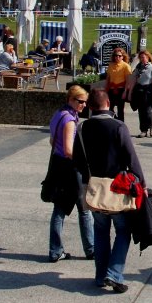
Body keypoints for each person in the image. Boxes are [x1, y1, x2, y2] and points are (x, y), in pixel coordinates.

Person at [76, 89, 147, 293]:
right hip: (117, 188)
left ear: (90, 107)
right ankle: (114, 273)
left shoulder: (82, 128)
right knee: (123, 231)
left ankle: (100, 276)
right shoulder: (118, 127)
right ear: (109, 103)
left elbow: (78, 161)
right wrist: (142, 184)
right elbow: (132, 159)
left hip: (94, 189)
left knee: (100, 231)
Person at [46, 84, 95, 262]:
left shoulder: (58, 114)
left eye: (85, 102)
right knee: (84, 210)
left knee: (59, 210)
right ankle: (90, 249)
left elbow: (52, 141)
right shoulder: (70, 121)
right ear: (70, 99)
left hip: (58, 166)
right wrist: (84, 161)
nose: (83, 105)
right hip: (71, 169)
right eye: (80, 101)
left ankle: (55, 250)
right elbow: (69, 150)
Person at [125, 50, 152, 137]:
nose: (142, 59)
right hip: (139, 91)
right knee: (141, 112)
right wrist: (130, 93)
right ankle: (143, 130)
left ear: (148, 57)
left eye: (143, 57)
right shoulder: (138, 68)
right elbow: (133, 81)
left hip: (149, 91)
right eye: (140, 58)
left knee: (148, 111)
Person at [104, 47, 131, 121]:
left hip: (121, 89)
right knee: (109, 107)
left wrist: (125, 92)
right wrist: (106, 90)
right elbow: (108, 78)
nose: (117, 57)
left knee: (120, 109)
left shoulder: (126, 66)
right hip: (111, 89)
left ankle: (121, 124)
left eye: (120, 56)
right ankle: (113, 121)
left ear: (123, 57)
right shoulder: (111, 65)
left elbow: (128, 80)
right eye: (116, 55)